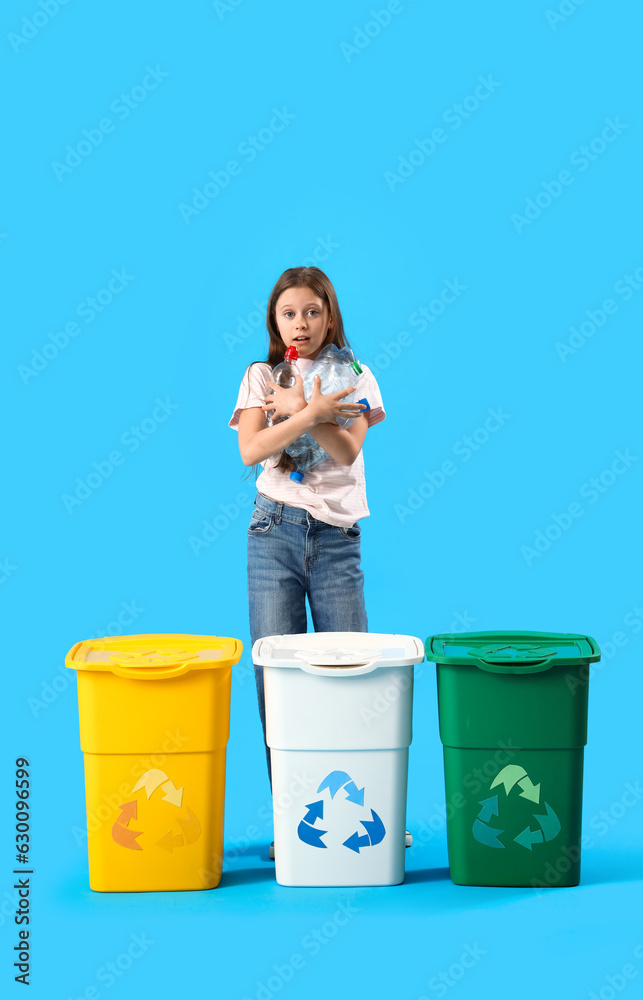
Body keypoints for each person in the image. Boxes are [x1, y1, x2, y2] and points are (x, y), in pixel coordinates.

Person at [228, 266, 385, 790]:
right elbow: (253, 449)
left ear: (330, 316)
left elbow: (345, 449)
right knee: (277, 676)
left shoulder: (357, 376)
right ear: (275, 320)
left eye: (313, 312)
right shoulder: (262, 376)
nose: (301, 323)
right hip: (273, 532)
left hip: (336, 539)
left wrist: (311, 411)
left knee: (353, 675)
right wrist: (306, 409)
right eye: (289, 313)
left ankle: (363, 809)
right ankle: (292, 816)